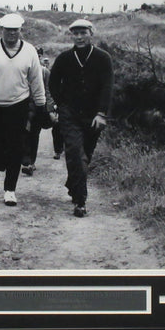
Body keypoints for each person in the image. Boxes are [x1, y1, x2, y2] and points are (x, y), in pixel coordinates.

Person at [0, 13, 46, 206]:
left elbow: (36, 80)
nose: (12, 33)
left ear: (20, 30)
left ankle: (10, 190)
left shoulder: (29, 51)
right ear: (2, 30)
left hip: (18, 105)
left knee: (16, 147)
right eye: (8, 30)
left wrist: (41, 105)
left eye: (16, 30)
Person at [49, 19, 114, 217]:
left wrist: (102, 113)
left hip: (93, 116)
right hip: (69, 115)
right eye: (75, 33)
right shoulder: (64, 58)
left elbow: (107, 87)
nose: (79, 37)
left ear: (91, 33)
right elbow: (53, 82)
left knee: (85, 154)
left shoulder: (103, 58)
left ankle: (73, 183)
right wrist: (61, 105)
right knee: (75, 153)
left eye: (83, 32)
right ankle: (80, 201)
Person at [21, 48, 56, 176]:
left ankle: (30, 163)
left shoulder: (45, 72)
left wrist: (50, 109)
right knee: (22, 132)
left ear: (39, 56)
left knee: (34, 134)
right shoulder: (21, 69)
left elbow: (48, 91)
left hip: (38, 107)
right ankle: (24, 158)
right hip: (22, 106)